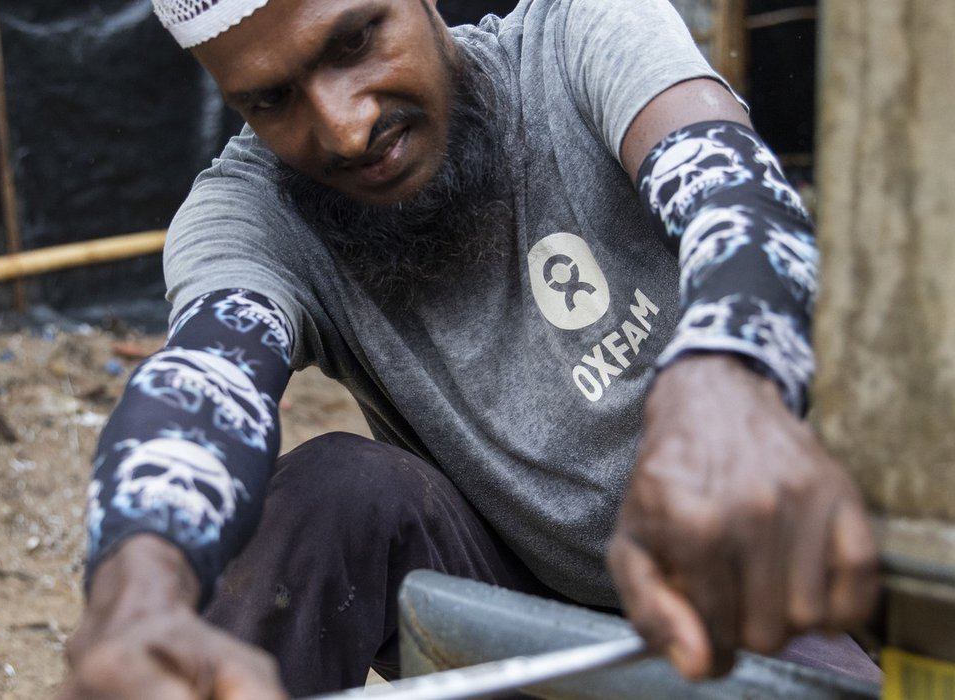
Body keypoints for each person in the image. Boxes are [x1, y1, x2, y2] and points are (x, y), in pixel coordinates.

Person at [61, 0, 880, 696]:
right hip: (519, 626)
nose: (344, 129)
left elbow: (733, 197)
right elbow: (206, 381)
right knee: (333, 493)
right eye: (272, 100)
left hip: (765, 583)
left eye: (353, 42)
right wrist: (139, 585)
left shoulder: (579, 37)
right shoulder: (252, 213)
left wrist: (728, 375)